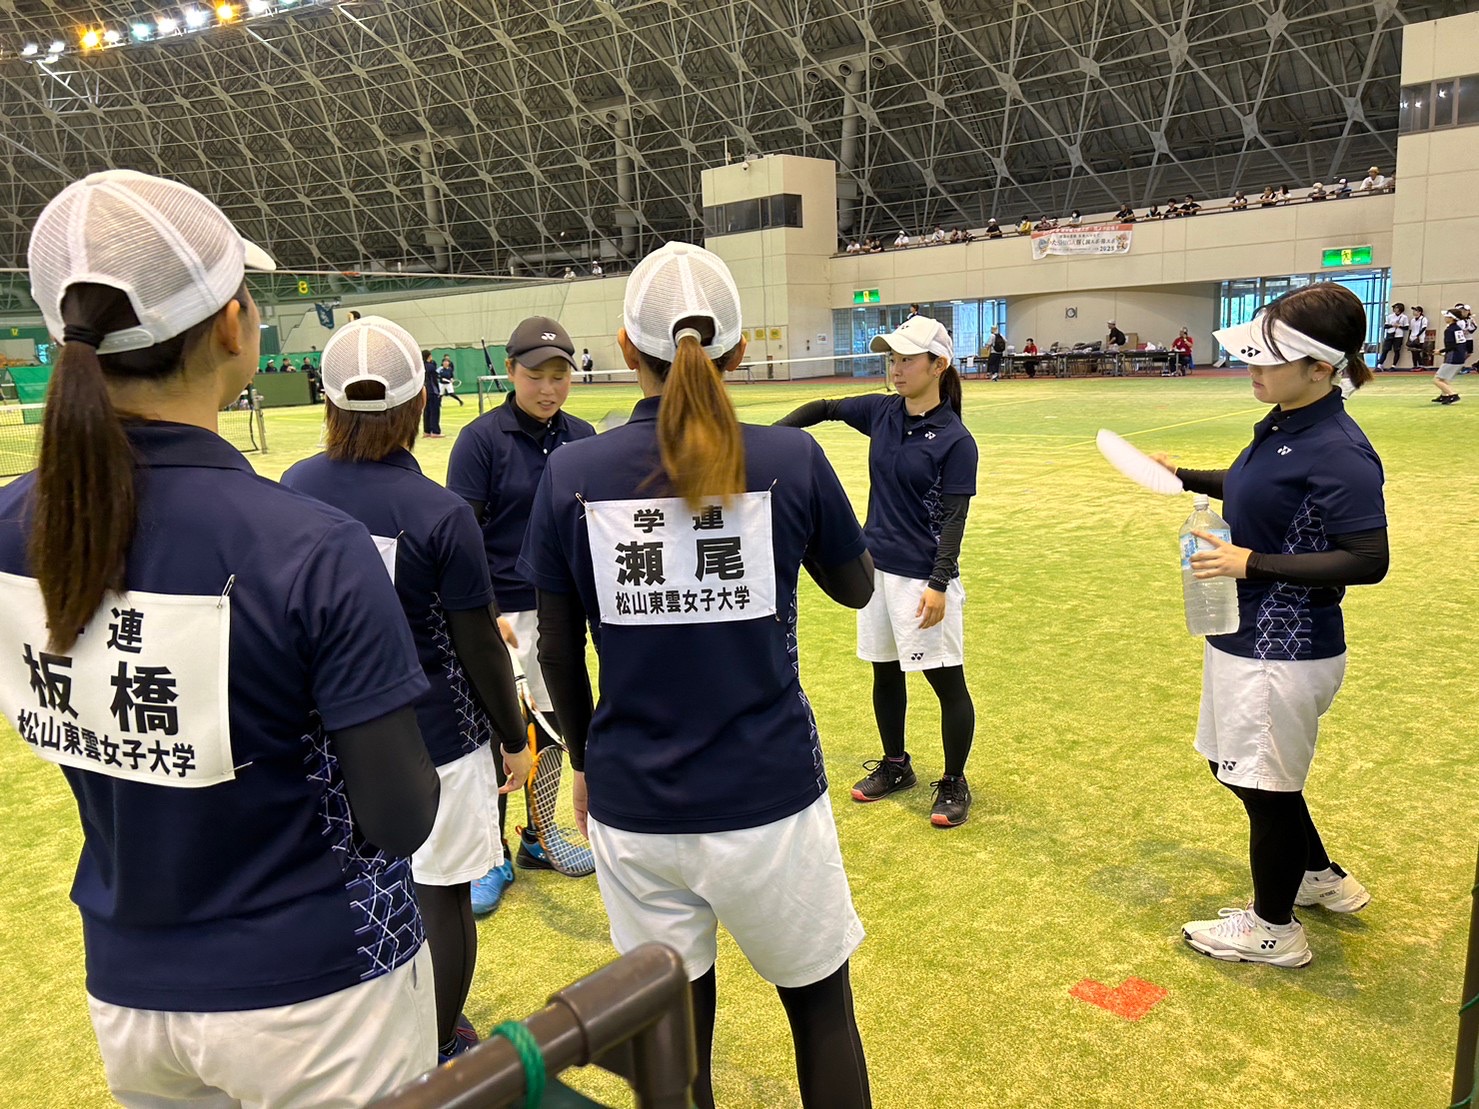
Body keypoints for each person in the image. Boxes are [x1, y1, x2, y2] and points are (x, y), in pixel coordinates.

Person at [0, 169, 441, 1103]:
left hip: (129, 981)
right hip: (322, 988)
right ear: (234, 327)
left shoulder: (13, 526)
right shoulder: (310, 547)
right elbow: (402, 816)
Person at [520, 243, 875, 1109]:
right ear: (740, 351)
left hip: (636, 802)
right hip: (770, 796)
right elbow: (856, 586)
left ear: (624, 348)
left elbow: (558, 651)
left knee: (675, 1043)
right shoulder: (790, 459)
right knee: (820, 1012)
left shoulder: (572, 472)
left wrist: (585, 762)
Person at [281, 317, 531, 1065]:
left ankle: (381, 1034)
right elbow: (477, 643)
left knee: (358, 889)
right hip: (437, 738)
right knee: (443, 894)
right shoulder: (439, 512)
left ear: (327, 401)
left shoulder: (295, 486)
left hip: (328, 737)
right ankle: (439, 1042)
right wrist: (514, 736)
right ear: (422, 401)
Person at [1152, 283, 1387, 968]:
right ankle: (1317, 875)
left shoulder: (1338, 449)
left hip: (1283, 649)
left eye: (1268, 359)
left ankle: (1273, 928)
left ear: (1319, 367)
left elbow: (1367, 559)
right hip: (1244, 633)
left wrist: (1248, 561)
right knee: (1237, 769)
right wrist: (1185, 476)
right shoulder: (1286, 422)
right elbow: (1257, 486)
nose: (1250, 368)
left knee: (1263, 785)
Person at [777, 315, 979, 829]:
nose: (896, 369)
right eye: (892, 359)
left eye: (907, 359)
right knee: (884, 671)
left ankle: (954, 781)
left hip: (923, 579)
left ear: (939, 365)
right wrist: (768, 438)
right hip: (876, 572)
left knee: (946, 682)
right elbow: (825, 408)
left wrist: (938, 584)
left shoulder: (956, 440)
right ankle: (896, 765)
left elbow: (953, 520)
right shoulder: (883, 412)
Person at [446, 316, 596, 914]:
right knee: (499, 732)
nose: (548, 389)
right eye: (536, 376)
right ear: (511, 372)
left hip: (561, 609)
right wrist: (485, 614)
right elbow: (461, 540)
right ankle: (491, 854)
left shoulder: (582, 436)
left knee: (556, 725)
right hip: (501, 611)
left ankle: (538, 834)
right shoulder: (480, 440)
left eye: (560, 376)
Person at [1435, 310, 1464, 404]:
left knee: (1437, 380)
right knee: (1444, 379)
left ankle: (1452, 395)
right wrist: (1444, 353)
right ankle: (1444, 395)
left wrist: (1440, 351)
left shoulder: (1449, 330)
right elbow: (1459, 345)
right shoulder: (1458, 329)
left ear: (1452, 318)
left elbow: (1452, 346)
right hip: (1459, 356)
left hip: (1453, 358)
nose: (1445, 317)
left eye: (1447, 316)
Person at [421, 348, 443, 437]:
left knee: (427, 411)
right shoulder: (431, 366)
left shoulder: (421, 367)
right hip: (432, 391)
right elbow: (434, 380)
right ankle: (435, 431)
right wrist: (438, 391)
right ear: (429, 356)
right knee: (434, 412)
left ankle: (427, 431)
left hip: (424, 391)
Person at [1380, 302, 1409, 369]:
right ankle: (1380, 364)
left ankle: (1393, 366)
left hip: (1399, 335)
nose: (1395, 309)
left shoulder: (1404, 317)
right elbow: (1385, 326)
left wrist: (1399, 326)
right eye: (1394, 308)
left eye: (1396, 308)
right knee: (1385, 350)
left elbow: (1406, 327)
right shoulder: (1390, 316)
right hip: (1390, 334)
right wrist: (1392, 325)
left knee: (1397, 350)